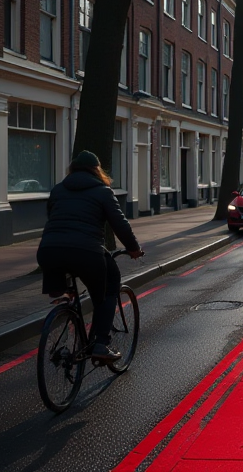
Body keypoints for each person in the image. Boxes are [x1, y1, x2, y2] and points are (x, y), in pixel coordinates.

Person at [37, 150, 144, 363]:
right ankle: (100, 344)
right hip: (86, 251)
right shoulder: (103, 191)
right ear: (97, 170)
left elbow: (53, 218)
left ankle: (65, 310)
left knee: (63, 289)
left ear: (72, 169)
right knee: (109, 285)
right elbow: (120, 225)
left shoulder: (58, 189)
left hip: (49, 250)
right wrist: (133, 248)